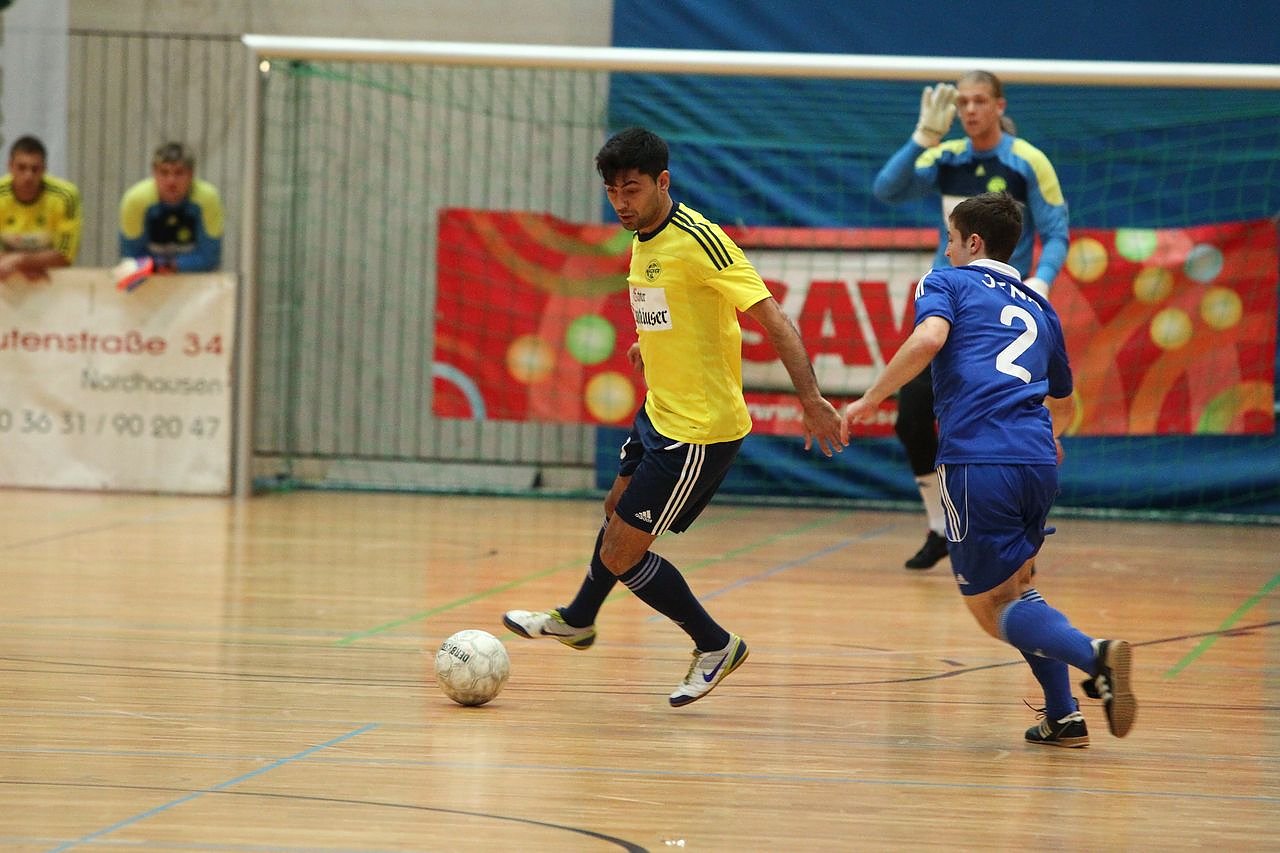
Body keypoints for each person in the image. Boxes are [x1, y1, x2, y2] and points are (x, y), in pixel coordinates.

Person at [503, 126, 845, 707]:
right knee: (615, 510)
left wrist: (810, 399)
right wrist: (651, 342)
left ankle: (715, 645)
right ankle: (579, 619)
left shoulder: (701, 240)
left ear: (663, 182)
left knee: (622, 551)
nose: (621, 203)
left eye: (631, 190)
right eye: (612, 192)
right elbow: (674, 305)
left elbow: (775, 320)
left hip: (697, 432)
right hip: (659, 410)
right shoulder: (644, 235)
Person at [842, 192, 1135, 747]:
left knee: (990, 608)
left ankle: (1095, 656)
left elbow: (929, 338)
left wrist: (869, 399)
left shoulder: (945, 282)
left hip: (978, 459)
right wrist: (1050, 439)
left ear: (972, 242)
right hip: (1036, 460)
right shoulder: (1039, 306)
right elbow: (1064, 403)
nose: (946, 250)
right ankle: (1064, 715)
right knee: (1018, 586)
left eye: (951, 240)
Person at [872, 70, 1069, 570]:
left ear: (1000, 105)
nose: (969, 110)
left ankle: (1008, 535)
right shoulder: (948, 157)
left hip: (1001, 314)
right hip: (949, 304)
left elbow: (1057, 232)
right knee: (912, 418)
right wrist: (923, 137)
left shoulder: (1028, 161)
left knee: (1000, 415)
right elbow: (886, 189)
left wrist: (1041, 282)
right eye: (962, 102)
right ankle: (940, 525)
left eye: (980, 101)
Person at [114, 141, 223, 291]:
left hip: (195, 286)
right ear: (154, 173)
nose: (171, 181)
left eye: (179, 173)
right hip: (147, 286)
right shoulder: (135, 201)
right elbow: (131, 259)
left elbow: (209, 259)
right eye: (164, 172)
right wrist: (168, 265)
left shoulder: (207, 199)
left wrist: (158, 265)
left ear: (191, 174)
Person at [0, 135, 81, 281]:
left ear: (44, 169)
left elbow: (65, 256)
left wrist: (20, 261)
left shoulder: (66, 196)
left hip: (51, 281)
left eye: (35, 169)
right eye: (21, 167)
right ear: (10, 166)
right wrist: (34, 264)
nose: (28, 176)